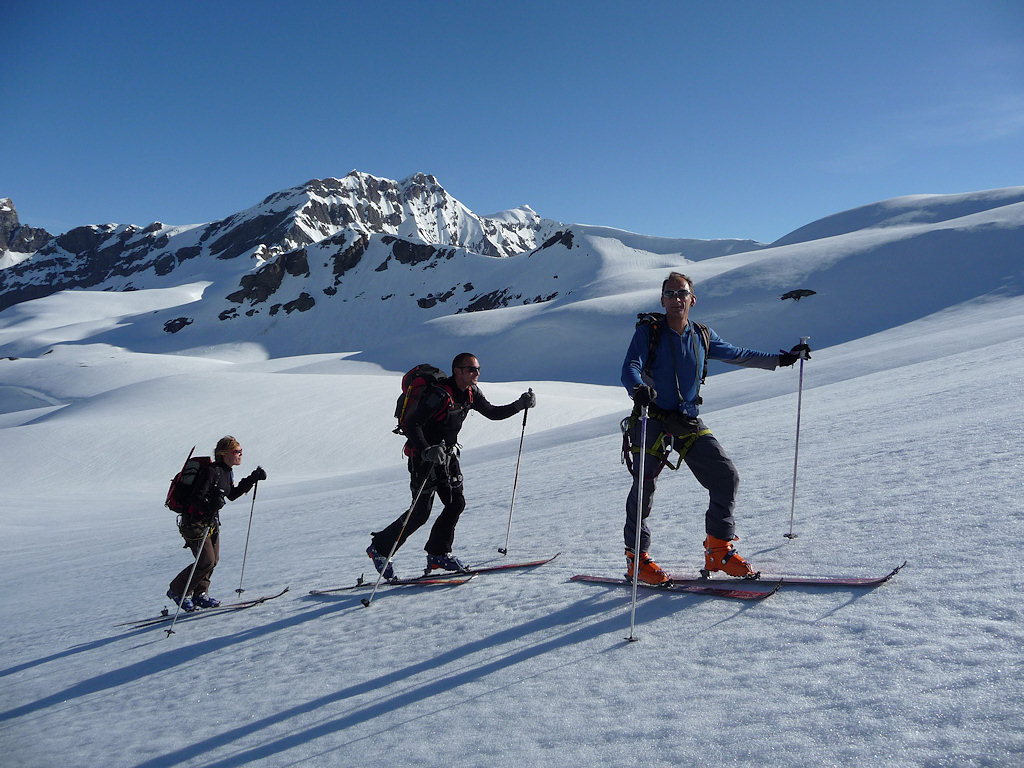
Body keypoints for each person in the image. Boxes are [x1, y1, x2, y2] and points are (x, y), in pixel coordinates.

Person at [620, 272, 810, 583]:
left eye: (681, 293)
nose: (676, 299)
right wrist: (638, 388)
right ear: (662, 300)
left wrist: (781, 359)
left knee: (725, 475)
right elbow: (630, 366)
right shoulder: (649, 333)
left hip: (687, 420)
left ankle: (718, 550)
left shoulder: (702, 336)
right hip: (651, 418)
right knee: (644, 488)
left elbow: (739, 354)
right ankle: (636, 559)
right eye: (670, 294)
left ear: (692, 300)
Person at [367, 353, 536, 578]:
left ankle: (438, 553)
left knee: (456, 503)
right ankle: (380, 548)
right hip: (423, 458)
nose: (477, 373)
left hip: (447, 457)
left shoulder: (470, 393)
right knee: (420, 513)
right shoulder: (439, 395)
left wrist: (519, 405)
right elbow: (412, 423)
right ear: (458, 371)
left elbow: (493, 413)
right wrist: (427, 449)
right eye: (471, 369)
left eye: (478, 369)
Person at [167, 436, 266, 610]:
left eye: (241, 451)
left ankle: (200, 594)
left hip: (210, 522)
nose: (240, 454)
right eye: (237, 452)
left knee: (213, 560)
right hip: (194, 523)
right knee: (206, 560)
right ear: (224, 454)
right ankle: (178, 590)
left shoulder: (227, 472)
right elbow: (196, 498)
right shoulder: (211, 471)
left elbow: (232, 494)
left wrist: (252, 478)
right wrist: (210, 504)